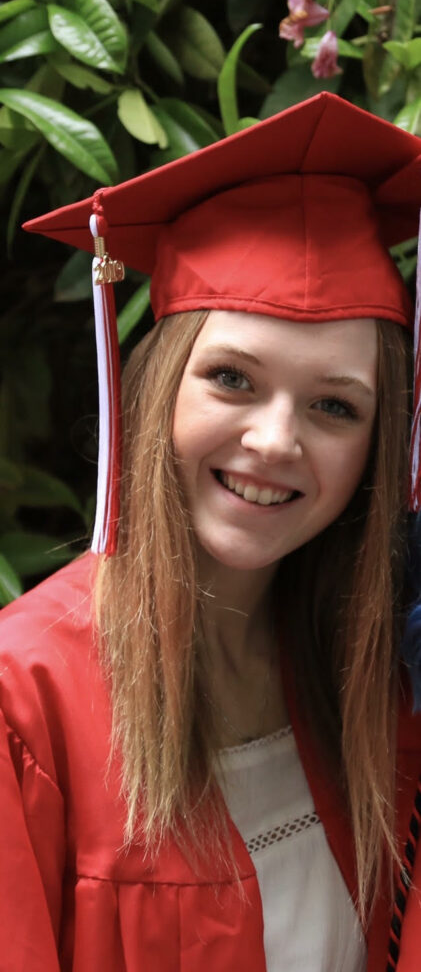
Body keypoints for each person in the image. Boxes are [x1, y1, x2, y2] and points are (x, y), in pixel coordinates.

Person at [1, 91, 421, 972]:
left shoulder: (374, 677)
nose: (275, 440)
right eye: (231, 378)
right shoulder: (24, 701)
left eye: (334, 406)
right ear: (156, 392)